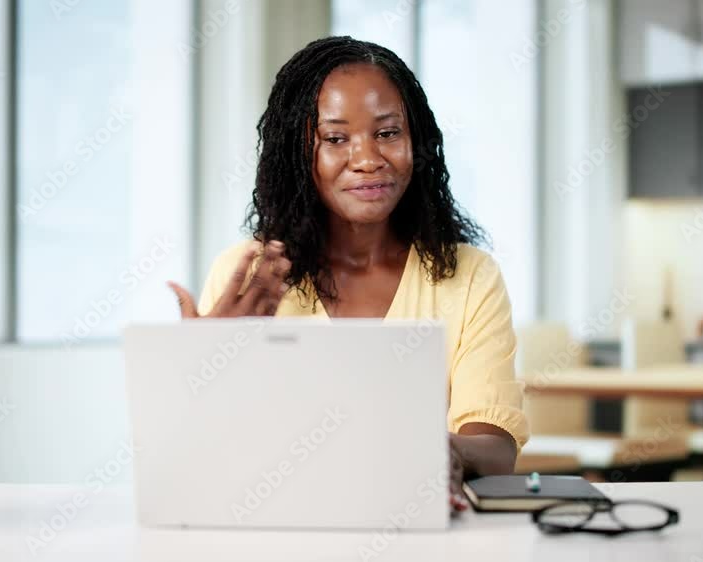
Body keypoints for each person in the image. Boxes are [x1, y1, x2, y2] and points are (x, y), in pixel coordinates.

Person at [168, 36, 528, 512]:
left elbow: (497, 449)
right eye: (336, 139)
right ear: (298, 153)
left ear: (416, 141)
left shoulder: (470, 277)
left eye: (388, 133)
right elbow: (207, 459)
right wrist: (204, 367)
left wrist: (445, 451)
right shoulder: (250, 276)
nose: (368, 159)